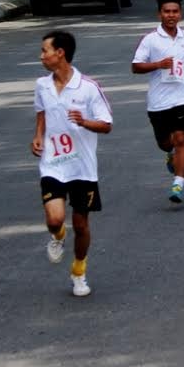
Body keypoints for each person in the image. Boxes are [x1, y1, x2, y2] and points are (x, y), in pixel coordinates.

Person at [32, 30, 112, 297]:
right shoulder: (42, 85)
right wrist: (38, 137)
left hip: (82, 167)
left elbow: (106, 124)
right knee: (55, 219)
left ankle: (79, 270)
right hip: (53, 163)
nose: (42, 56)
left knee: (80, 225)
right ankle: (57, 236)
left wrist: (85, 122)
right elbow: (42, 113)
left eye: (45, 51)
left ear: (60, 53)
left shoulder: (88, 87)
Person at [131, 0, 184, 203]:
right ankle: (169, 153)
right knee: (165, 143)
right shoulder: (150, 40)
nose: (171, 15)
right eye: (167, 11)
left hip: (182, 96)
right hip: (158, 101)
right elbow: (135, 66)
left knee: (181, 138)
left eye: (175, 11)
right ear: (159, 14)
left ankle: (178, 184)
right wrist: (158, 65)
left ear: (180, 14)